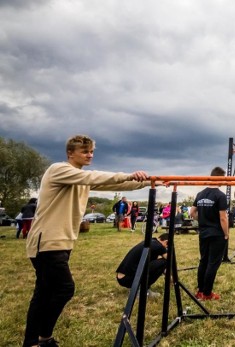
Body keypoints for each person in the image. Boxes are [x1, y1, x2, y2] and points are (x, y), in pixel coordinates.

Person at [23, 134, 149, 347]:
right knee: (63, 288)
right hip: (46, 242)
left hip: (61, 242)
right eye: (84, 151)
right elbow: (96, 177)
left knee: (44, 291)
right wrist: (128, 174)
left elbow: (112, 185)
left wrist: (148, 182)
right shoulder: (58, 170)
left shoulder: (79, 179)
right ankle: (38, 339)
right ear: (70, 153)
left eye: (91, 152)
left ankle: (38, 340)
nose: (89, 155)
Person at [190, 167, 229, 301]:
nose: (224, 182)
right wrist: (226, 234)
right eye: (223, 179)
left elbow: (192, 213)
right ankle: (207, 294)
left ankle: (200, 291)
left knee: (204, 261)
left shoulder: (200, 194)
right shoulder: (220, 195)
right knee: (213, 263)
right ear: (219, 178)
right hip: (217, 233)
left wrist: (202, 220)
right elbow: (223, 217)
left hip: (204, 232)